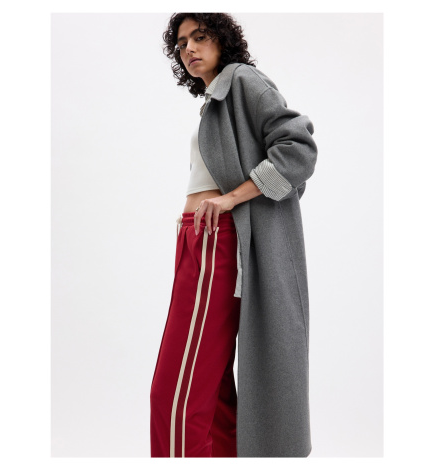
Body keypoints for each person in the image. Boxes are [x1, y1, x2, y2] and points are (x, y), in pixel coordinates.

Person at [150, 13, 318, 458]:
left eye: (199, 36)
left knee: (175, 396)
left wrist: (231, 199)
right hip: (196, 238)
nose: (189, 48)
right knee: (213, 392)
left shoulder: (241, 81)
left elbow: (298, 148)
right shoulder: (214, 100)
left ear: (223, 40)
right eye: (181, 43)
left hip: (218, 239)